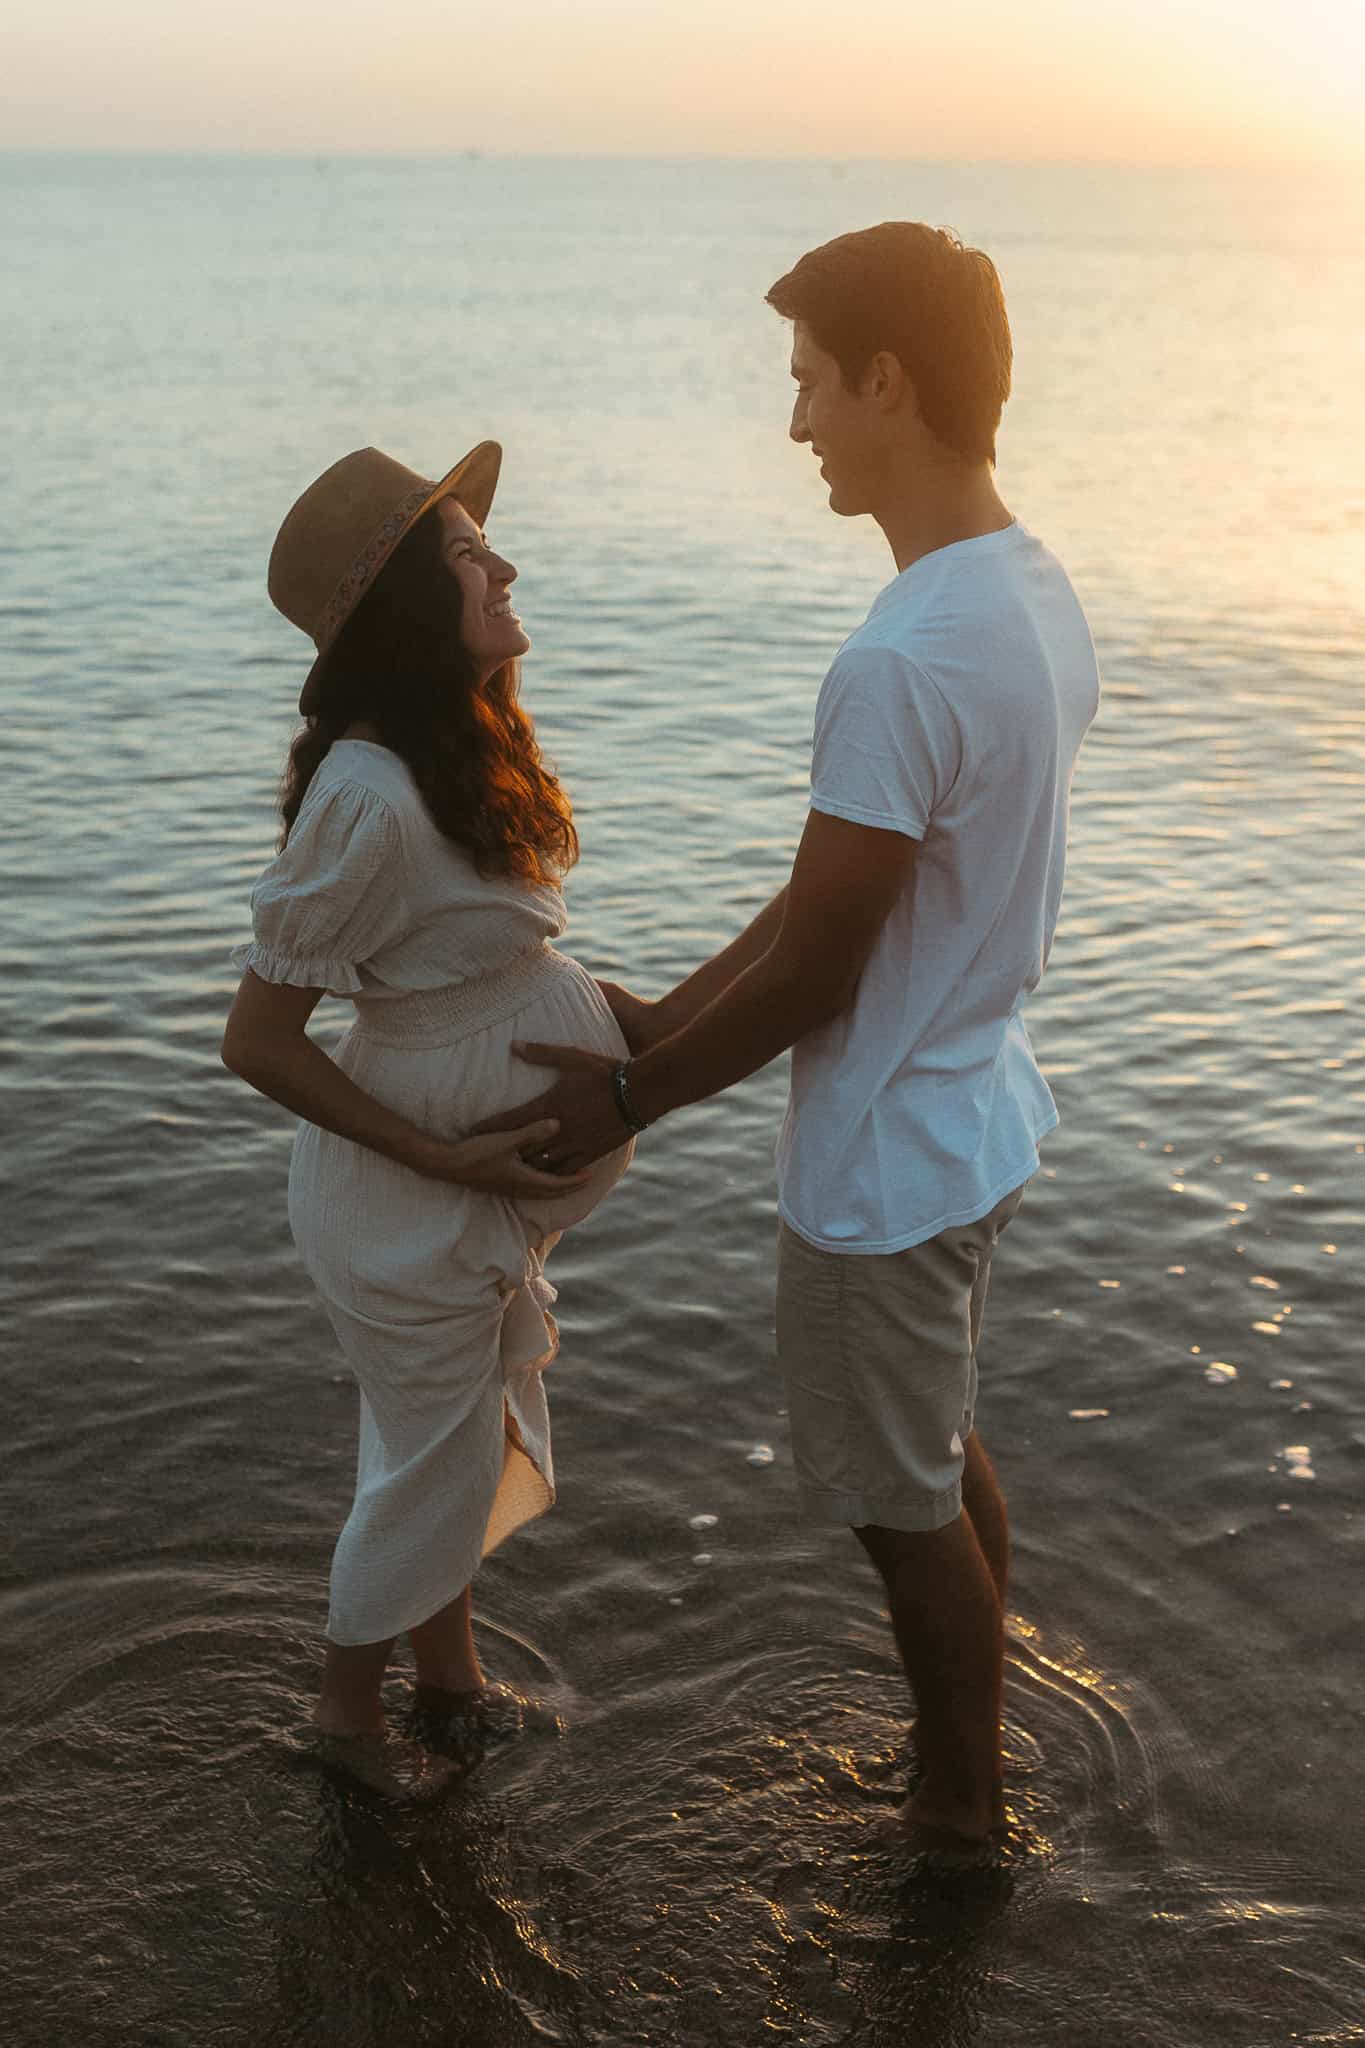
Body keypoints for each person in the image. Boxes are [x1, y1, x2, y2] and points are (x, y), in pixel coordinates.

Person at [487, 224, 1100, 1862]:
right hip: (974, 1118)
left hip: (883, 1164)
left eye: (809, 385)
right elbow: (840, 898)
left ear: (885, 381)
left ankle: (960, 1819)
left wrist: (629, 1094)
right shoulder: (1026, 594)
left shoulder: (899, 655)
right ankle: (962, 1755)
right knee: (938, 1453)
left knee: (899, 1508)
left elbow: (826, 959)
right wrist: (663, 1016)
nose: (797, 426)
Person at [222, 442, 633, 1799]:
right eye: (467, 554)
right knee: (426, 1469)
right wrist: (439, 1154)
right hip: (404, 1198)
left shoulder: (449, 749)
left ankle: (447, 1687)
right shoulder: (366, 797)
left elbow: (499, 969)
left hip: (454, 1195)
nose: (504, 564)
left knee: (438, 1447)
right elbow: (258, 1038)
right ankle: (344, 1725)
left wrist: (699, 1021)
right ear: (407, 602)